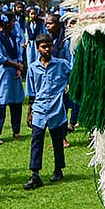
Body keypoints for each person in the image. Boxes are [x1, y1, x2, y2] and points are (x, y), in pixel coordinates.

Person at [23, 34, 73, 189]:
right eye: (43, 47)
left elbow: (74, 77)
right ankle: (35, 174)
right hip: (39, 109)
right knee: (36, 141)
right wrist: (29, 112)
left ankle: (58, 169)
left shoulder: (62, 64)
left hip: (56, 110)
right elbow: (32, 92)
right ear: (38, 48)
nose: (47, 49)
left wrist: (69, 88)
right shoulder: (33, 68)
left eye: (49, 46)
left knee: (57, 141)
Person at [0, 13, 25, 144]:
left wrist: (19, 65)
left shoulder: (13, 36)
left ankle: (16, 131)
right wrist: (16, 65)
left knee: (16, 103)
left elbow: (19, 52)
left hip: (15, 72)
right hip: (3, 73)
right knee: (1, 103)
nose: (14, 24)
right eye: (12, 21)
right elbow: (0, 57)